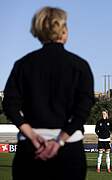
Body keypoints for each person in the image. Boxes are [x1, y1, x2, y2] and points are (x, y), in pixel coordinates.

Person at [2, 6, 94, 180]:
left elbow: (10, 105)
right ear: (63, 30)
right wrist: (59, 141)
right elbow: (82, 111)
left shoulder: (23, 64)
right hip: (69, 150)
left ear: (39, 30)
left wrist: (33, 136)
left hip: (31, 150)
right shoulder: (80, 66)